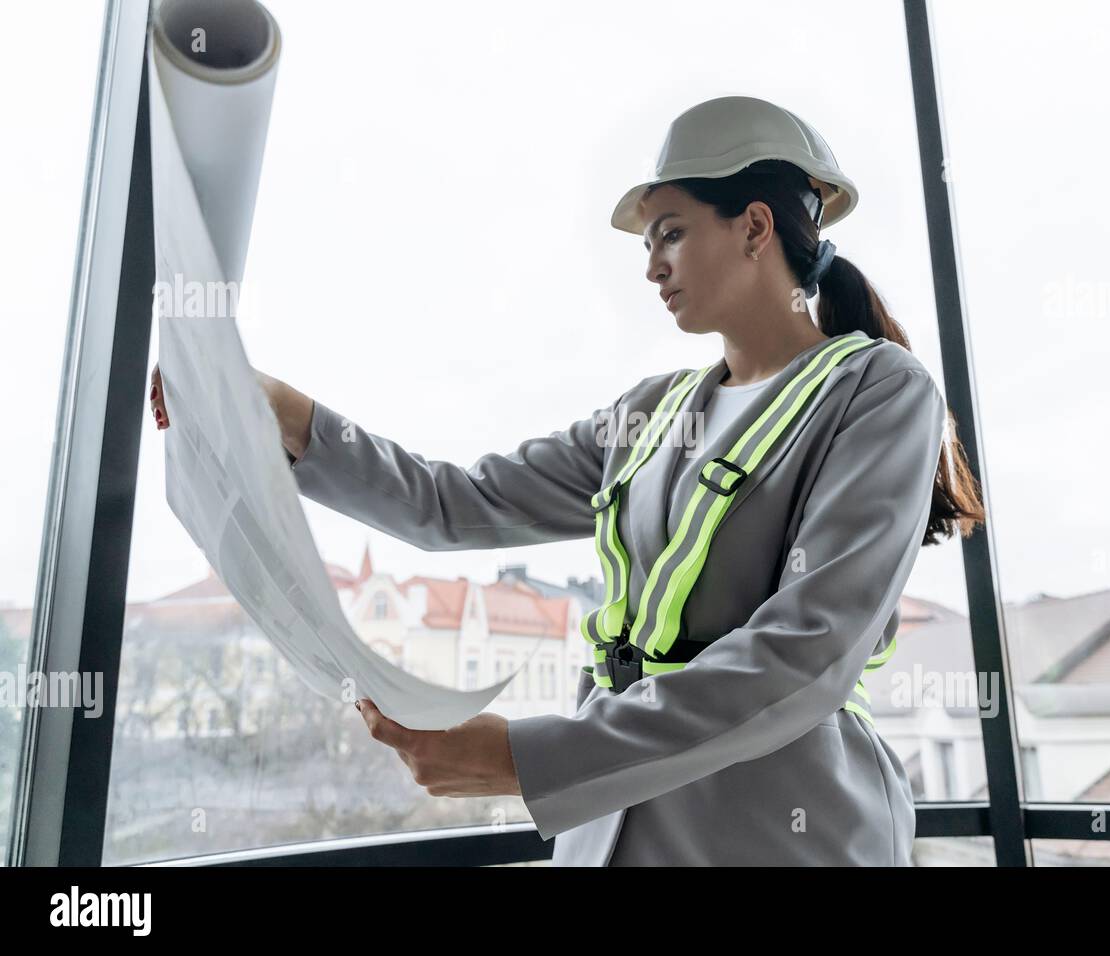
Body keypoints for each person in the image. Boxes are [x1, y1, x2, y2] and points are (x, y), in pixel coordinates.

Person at [150, 95, 985, 866]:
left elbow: (807, 655)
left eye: (670, 231)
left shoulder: (878, 392)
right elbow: (454, 503)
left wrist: (528, 758)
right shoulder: (655, 412)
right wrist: (283, 415)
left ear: (755, 226)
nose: (652, 266)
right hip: (609, 833)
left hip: (777, 833)